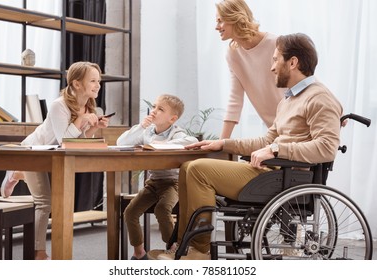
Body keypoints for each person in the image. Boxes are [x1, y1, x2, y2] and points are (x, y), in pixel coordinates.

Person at [151, 33, 343, 260]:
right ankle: (182, 246)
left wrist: (276, 150)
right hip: (272, 172)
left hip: (287, 177)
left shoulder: (320, 98)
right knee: (189, 167)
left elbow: (326, 148)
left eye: (275, 60)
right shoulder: (288, 100)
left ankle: (199, 251)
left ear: (293, 62)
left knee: (198, 170)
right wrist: (224, 143)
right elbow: (265, 140)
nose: (271, 67)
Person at [0, 61, 110, 260]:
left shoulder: (87, 107)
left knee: (49, 198)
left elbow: (78, 143)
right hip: (31, 152)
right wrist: (81, 120)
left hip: (50, 153)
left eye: (99, 81)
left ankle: (17, 173)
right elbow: (64, 141)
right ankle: (39, 252)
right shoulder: (58, 105)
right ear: (77, 84)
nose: (98, 85)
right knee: (45, 201)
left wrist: (94, 128)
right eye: (92, 80)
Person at [117, 94, 198, 260]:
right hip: (153, 183)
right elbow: (121, 142)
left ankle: (174, 248)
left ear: (172, 119)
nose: (154, 111)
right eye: (154, 107)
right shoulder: (148, 132)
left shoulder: (176, 132)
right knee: (130, 212)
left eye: (160, 109)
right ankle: (139, 252)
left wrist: (162, 145)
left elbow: (191, 141)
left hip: (172, 183)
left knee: (162, 209)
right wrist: (141, 126)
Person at [215, 0, 284, 139]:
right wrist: (222, 143)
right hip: (274, 129)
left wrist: (334, 110)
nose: (217, 27)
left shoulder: (276, 43)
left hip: (297, 124)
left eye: (220, 21)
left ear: (234, 18)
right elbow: (235, 98)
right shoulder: (233, 53)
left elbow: (304, 79)